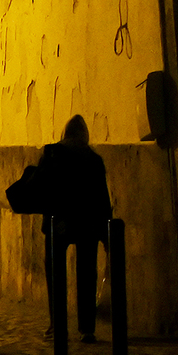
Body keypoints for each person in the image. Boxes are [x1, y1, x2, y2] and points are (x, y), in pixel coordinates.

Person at [38, 115, 113, 342]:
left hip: (57, 221)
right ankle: (87, 328)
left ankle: (57, 325)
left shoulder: (51, 153)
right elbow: (102, 197)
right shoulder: (93, 159)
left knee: (55, 273)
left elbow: (42, 188)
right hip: (87, 222)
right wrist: (106, 233)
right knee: (87, 273)